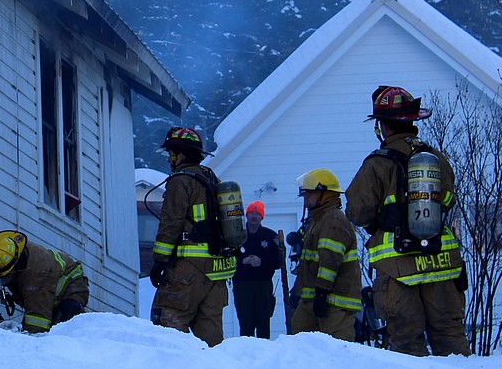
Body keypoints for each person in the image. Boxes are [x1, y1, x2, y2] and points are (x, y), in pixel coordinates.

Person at [345, 85, 471, 357]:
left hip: (398, 266)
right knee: (451, 337)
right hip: (441, 261)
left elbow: (356, 211)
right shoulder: (434, 158)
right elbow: (448, 198)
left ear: (384, 127)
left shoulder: (378, 164)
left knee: (406, 343)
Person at [149, 126, 238, 346]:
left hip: (188, 270)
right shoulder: (211, 178)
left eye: (170, 154)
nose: (169, 160)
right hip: (216, 271)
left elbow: (171, 223)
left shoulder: (180, 181)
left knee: (167, 324)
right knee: (211, 337)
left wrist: (160, 261)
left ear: (179, 155)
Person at [0, 226, 88, 333]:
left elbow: (38, 322)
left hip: (72, 283)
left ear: (15, 267)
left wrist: (29, 339)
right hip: (44, 287)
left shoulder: (36, 276)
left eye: (5, 277)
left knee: (64, 320)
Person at [288, 168, 362, 341]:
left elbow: (329, 262)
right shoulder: (318, 220)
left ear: (325, 195)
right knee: (299, 342)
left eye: (310, 193)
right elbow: (308, 263)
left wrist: (321, 294)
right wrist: (298, 291)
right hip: (313, 298)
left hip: (336, 301)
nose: (306, 198)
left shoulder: (333, 221)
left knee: (337, 349)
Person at [232, 200, 284, 338]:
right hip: (242, 286)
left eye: (257, 214)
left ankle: (263, 354)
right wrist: (242, 261)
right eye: (251, 213)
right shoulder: (236, 236)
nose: (254, 217)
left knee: (263, 324)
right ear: (246, 216)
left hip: (263, 286)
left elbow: (279, 261)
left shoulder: (271, 236)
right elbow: (226, 257)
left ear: (262, 217)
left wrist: (262, 262)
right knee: (245, 324)